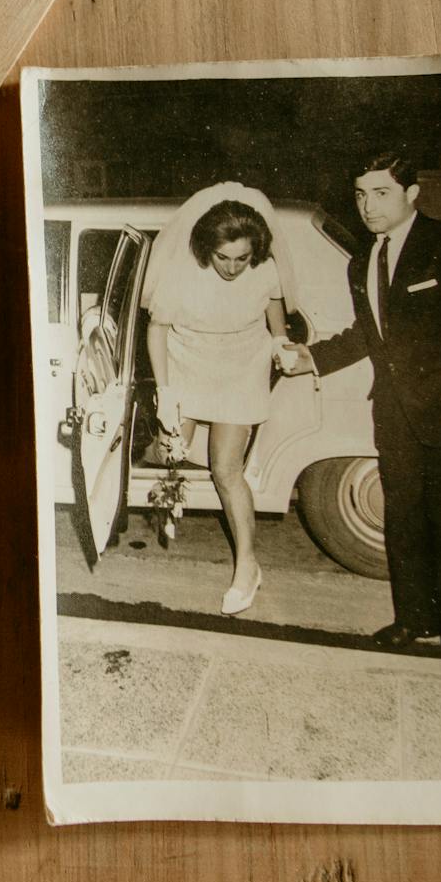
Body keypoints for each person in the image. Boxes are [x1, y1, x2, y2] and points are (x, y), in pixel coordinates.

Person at [284, 152, 441, 672]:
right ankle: (417, 618)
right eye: (360, 194)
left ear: (412, 193)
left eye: (381, 193)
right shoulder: (362, 260)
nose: (368, 206)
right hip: (394, 416)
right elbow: (371, 337)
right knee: (405, 522)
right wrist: (311, 358)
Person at [142, 183, 300, 616]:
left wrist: (280, 340)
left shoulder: (263, 268)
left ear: (255, 253)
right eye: (223, 258)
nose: (232, 268)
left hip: (241, 366)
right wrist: (166, 391)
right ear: (206, 249)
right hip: (188, 363)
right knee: (168, 453)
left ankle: (247, 566)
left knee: (225, 469)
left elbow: (273, 302)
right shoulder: (180, 272)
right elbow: (157, 331)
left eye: (242, 259)